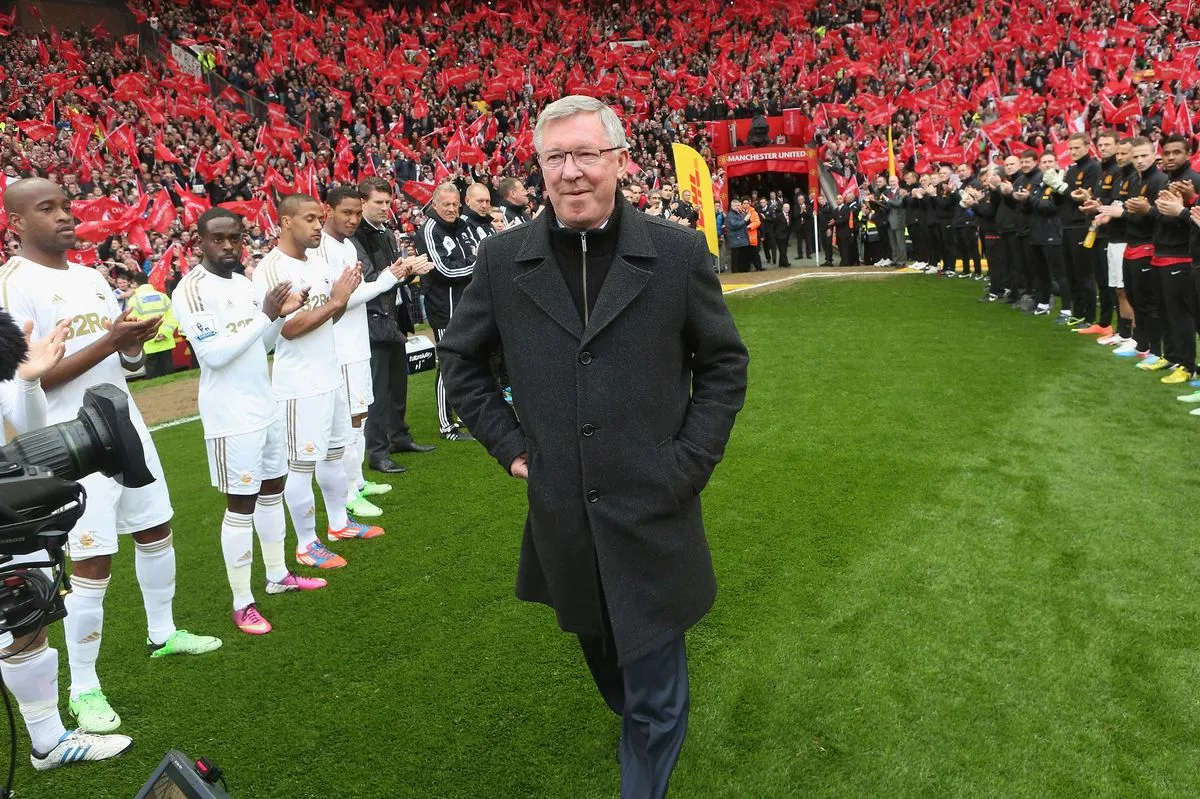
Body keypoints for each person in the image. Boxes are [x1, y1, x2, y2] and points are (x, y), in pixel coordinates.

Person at [438, 95, 749, 799]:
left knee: (654, 693)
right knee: (610, 662)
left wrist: (690, 461)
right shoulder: (501, 257)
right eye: (556, 158)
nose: (572, 172)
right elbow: (462, 362)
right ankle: (640, 715)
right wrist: (511, 446)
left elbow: (724, 364)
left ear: (618, 161)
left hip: (654, 501)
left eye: (586, 155)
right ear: (539, 168)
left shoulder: (675, 252)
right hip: (564, 511)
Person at [0, 178, 222, 735]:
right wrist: (107, 341)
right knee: (92, 560)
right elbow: (29, 383)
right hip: (69, 443)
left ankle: (163, 632)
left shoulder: (93, 276)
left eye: (66, 206)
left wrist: (128, 344)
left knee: (156, 529)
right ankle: (85, 688)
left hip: (124, 423)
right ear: (16, 222)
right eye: (46, 209)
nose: (64, 217)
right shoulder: (15, 285)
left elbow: (126, 368)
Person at [172, 208, 327, 636]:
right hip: (231, 415)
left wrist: (279, 316)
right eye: (217, 239)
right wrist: (266, 314)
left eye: (234, 239)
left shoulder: (242, 283)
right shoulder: (192, 290)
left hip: (265, 403)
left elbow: (264, 343)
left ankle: (277, 575)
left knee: (272, 489)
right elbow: (215, 355)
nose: (227, 247)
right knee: (241, 503)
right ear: (199, 242)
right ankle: (243, 602)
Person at [0, 311, 135, 769]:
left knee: (24, 611)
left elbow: (24, 423)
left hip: (4, 503)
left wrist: (29, 383)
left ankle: (49, 741)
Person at [252, 193, 384, 571]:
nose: (316, 227)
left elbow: (331, 318)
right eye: (309, 219)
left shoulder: (316, 263)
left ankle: (339, 523)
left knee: (333, 455)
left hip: (330, 375)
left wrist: (340, 299)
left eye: (318, 218)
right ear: (285, 222)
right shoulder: (273, 269)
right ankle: (307, 543)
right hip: (299, 385)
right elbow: (289, 329)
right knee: (302, 465)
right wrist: (336, 301)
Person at [320, 186, 429, 518]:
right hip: (342, 346)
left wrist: (391, 278)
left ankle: (357, 482)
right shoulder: (326, 248)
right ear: (329, 210)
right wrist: (389, 278)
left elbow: (355, 292)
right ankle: (348, 493)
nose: (353, 219)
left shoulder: (347, 245)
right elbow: (338, 300)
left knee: (359, 415)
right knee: (348, 422)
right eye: (347, 212)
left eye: (356, 213)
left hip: (358, 341)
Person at [352, 177, 435, 476]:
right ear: (362, 202)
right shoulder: (355, 238)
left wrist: (407, 270)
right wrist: (406, 269)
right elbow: (372, 279)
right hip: (372, 322)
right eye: (379, 203)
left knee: (398, 386)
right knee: (377, 392)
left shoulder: (385, 233)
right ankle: (377, 452)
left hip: (393, 318)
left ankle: (399, 438)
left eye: (388, 202)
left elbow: (391, 274)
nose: (386, 208)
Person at [415, 183, 475, 441]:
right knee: (447, 364)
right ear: (435, 204)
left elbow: (472, 254)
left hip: (467, 306)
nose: (451, 209)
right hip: (444, 308)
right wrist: (475, 264)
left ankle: (463, 415)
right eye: (446, 204)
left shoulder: (463, 226)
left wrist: (472, 262)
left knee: (467, 362)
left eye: (455, 204)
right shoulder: (429, 229)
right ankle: (445, 426)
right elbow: (445, 270)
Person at [127, 270, 178, 378]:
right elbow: (174, 316)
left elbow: (133, 322)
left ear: (135, 283)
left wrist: (152, 335)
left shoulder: (134, 300)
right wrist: (165, 332)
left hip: (148, 342)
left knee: (153, 378)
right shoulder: (162, 296)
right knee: (171, 378)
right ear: (148, 281)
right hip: (166, 340)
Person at [832, 191, 859, 266]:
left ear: (843, 200)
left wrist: (835, 222)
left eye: (840, 199)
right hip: (838, 232)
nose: (838, 200)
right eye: (837, 199)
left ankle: (846, 262)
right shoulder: (835, 210)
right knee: (840, 248)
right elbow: (832, 219)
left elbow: (845, 219)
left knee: (845, 248)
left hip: (845, 232)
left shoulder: (846, 209)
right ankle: (843, 261)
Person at [723, 199, 750, 272]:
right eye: (735, 205)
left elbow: (746, 222)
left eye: (738, 205)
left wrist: (746, 219)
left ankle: (742, 272)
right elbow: (734, 225)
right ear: (731, 206)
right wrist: (745, 220)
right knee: (736, 258)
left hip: (742, 239)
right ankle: (735, 274)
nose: (737, 207)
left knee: (742, 258)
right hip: (736, 240)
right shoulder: (730, 215)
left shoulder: (740, 213)